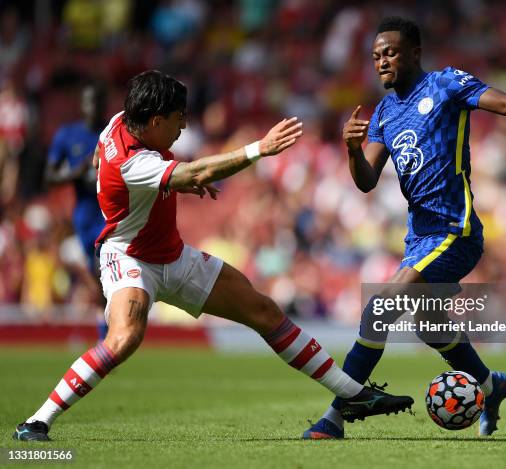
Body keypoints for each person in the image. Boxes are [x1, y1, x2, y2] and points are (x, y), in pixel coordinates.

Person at [13, 70, 413, 442]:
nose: (184, 125)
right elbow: (194, 172)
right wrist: (260, 148)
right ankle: (36, 422)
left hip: (172, 256)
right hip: (130, 258)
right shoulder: (133, 162)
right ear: (154, 122)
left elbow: (148, 166)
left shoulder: (122, 121)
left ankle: (352, 394)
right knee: (124, 338)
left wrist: (168, 182)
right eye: (177, 118)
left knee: (263, 311)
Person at [303, 17, 506, 440]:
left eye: (391, 53)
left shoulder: (444, 85)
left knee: (378, 309)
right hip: (420, 237)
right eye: (376, 55)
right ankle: (490, 387)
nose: (382, 61)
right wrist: (351, 150)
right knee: (428, 323)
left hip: (455, 231)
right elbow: (365, 181)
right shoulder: (384, 112)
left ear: (415, 53)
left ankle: (336, 415)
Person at [45, 83, 109, 340]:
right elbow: (49, 176)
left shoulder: (113, 132)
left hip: (113, 214)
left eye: (96, 102)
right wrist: (77, 172)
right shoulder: (67, 135)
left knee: (104, 270)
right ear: (81, 104)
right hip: (85, 217)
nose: (91, 107)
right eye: (87, 101)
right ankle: (107, 332)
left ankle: (108, 334)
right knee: (98, 274)